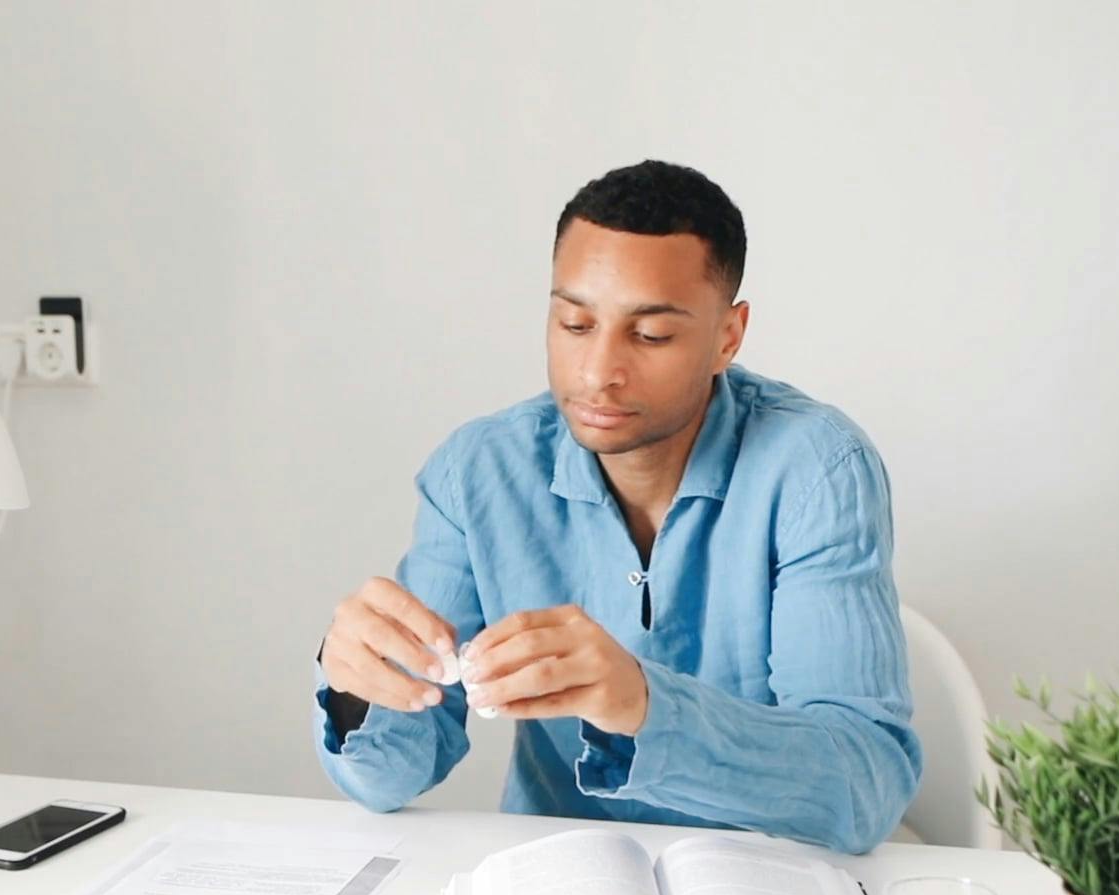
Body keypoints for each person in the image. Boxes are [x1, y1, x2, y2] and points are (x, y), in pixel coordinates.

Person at [311, 160, 920, 855]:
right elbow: (392, 776)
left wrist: (645, 706)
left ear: (728, 336)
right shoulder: (478, 471)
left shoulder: (817, 469)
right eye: (574, 323)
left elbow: (863, 787)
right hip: (563, 888)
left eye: (651, 335)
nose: (599, 371)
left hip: (769, 892)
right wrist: (356, 686)